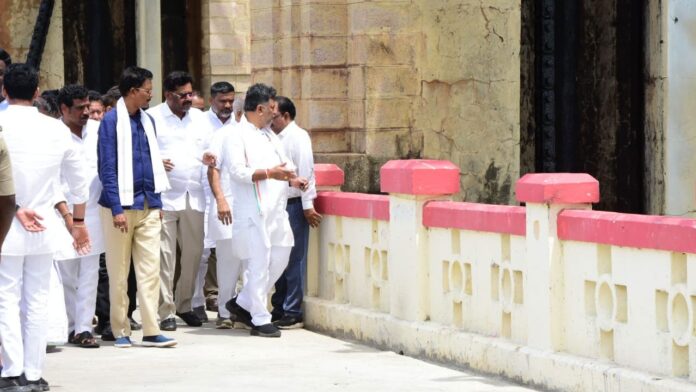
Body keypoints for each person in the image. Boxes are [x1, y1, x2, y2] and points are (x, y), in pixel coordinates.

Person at [0, 63, 90, 391]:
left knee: (6, 298)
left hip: (6, 221)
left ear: (4, 91)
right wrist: (77, 221)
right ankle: (33, 374)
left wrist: (18, 206)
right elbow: (80, 183)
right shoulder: (55, 130)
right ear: (37, 92)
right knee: (37, 299)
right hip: (44, 224)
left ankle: (10, 372)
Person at [219, 83, 308, 338]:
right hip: (253, 210)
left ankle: (243, 301)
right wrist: (271, 173)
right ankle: (259, 317)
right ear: (259, 109)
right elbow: (237, 172)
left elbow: (284, 165)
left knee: (281, 256)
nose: (274, 114)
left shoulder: (269, 135)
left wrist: (292, 179)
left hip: (276, 209)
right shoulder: (236, 135)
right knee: (258, 264)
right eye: (271, 109)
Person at [97, 65, 176, 348]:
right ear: (132, 91)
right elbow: (107, 169)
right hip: (119, 208)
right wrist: (117, 208)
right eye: (147, 91)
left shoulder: (147, 121)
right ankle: (120, 330)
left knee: (150, 270)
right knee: (119, 272)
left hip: (148, 204)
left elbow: (151, 164)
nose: (150, 96)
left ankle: (151, 328)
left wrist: (158, 201)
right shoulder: (110, 122)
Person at [147, 71, 209, 331]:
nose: (188, 99)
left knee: (194, 255)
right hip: (165, 197)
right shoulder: (152, 118)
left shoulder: (200, 119)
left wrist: (210, 158)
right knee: (165, 256)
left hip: (194, 195)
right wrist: (156, 163)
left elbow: (210, 148)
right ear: (167, 95)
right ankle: (166, 311)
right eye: (182, 95)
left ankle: (185, 304)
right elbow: (141, 153)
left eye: (190, 94)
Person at [55, 85, 105, 348]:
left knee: (89, 271)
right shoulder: (53, 134)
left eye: (88, 106)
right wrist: (66, 215)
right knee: (66, 272)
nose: (86, 112)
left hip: (94, 211)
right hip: (60, 212)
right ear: (64, 109)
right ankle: (70, 325)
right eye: (80, 108)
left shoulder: (99, 131)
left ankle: (84, 328)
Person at [269, 96, 321, 329]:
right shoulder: (272, 136)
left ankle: (292, 310)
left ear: (286, 116)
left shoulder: (297, 137)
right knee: (277, 257)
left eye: (275, 115)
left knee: (294, 258)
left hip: (294, 203)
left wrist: (308, 205)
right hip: (277, 203)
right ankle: (278, 306)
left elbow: (307, 173)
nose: (271, 119)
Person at [200, 81, 237, 328]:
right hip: (204, 196)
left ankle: (236, 306)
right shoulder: (200, 123)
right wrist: (220, 198)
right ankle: (197, 304)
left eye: (230, 101)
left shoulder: (241, 128)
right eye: (222, 101)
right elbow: (211, 168)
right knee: (202, 256)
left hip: (238, 202)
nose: (227, 106)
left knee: (241, 258)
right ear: (212, 99)